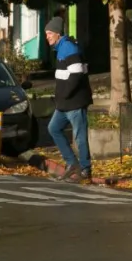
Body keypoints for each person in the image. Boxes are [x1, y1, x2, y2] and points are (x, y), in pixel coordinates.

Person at [45, 16, 93, 183]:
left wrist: (66, 95)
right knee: (53, 128)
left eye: (50, 33)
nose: (47, 36)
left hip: (74, 102)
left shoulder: (68, 47)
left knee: (79, 136)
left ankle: (85, 169)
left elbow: (77, 73)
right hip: (64, 104)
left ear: (58, 33)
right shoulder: (61, 48)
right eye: (46, 34)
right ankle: (72, 163)